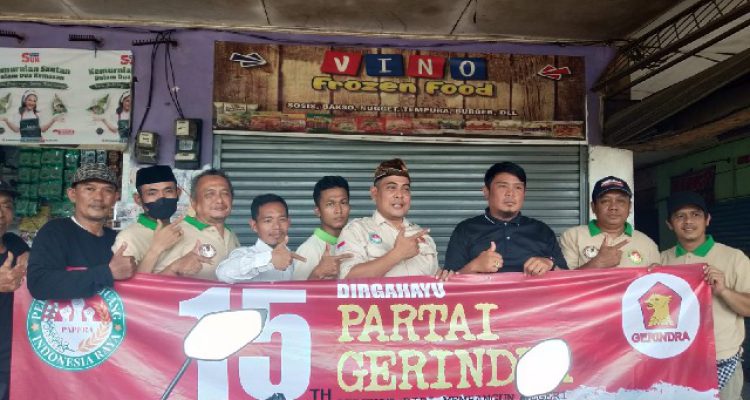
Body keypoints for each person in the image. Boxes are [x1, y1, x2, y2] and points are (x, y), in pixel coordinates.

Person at [660, 191, 750, 400]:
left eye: (696, 214)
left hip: (721, 361)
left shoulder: (734, 258)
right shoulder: (661, 261)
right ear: (669, 224)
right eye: (680, 216)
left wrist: (723, 291)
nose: (688, 221)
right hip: (675, 361)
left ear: (707, 219)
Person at [27, 163, 136, 300]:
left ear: (115, 198)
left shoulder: (118, 240)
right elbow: (39, 284)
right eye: (90, 189)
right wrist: (107, 273)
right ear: (72, 194)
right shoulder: (54, 232)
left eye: (107, 190)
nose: (98, 197)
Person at [444, 161, 567, 275]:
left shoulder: (542, 231)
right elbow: (449, 282)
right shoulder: (465, 230)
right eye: (503, 186)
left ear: (524, 193)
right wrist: (473, 267)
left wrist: (549, 263)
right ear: (486, 191)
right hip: (484, 293)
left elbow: (567, 279)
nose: (510, 193)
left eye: (518, 187)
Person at [337, 158, 439, 278]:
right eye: (391, 187)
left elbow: (435, 280)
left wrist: (446, 276)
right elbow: (348, 279)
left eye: (405, 189)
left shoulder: (422, 236)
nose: (399, 195)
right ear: (374, 193)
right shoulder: (356, 231)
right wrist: (397, 254)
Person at [154, 169, 240, 281]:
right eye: (210, 194)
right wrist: (174, 269)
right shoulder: (178, 233)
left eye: (225, 194)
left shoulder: (231, 234)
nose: (219, 200)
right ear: (194, 202)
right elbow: (150, 286)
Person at [559, 176, 659, 269]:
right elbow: (563, 280)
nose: (613, 207)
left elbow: (657, 280)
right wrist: (597, 264)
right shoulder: (573, 236)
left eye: (620, 201)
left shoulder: (647, 243)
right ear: (593, 207)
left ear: (629, 207)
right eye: (605, 201)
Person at [111, 165, 192, 275]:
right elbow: (130, 284)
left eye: (168, 191)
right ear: (138, 199)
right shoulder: (128, 237)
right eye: (152, 193)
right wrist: (157, 249)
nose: (162, 198)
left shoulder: (184, 231)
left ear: (178, 193)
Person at [216, 194, 305, 283]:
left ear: (288, 223)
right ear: (254, 225)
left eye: (282, 219)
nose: (277, 227)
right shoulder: (243, 254)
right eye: (268, 221)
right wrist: (270, 259)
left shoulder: (294, 259)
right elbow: (223, 273)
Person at [0, 181, 29, 400]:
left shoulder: (14, 243)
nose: (1, 214)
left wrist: (30, 256)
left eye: (6, 206)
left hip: (12, 359)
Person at [293, 176, 353, 280]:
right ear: (318, 211)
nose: (338, 210)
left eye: (343, 202)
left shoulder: (354, 241)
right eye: (330, 204)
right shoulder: (309, 250)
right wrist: (317, 273)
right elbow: (297, 290)